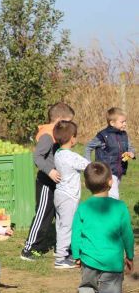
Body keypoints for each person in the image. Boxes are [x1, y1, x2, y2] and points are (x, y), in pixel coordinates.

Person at [72, 162, 134, 293]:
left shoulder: (83, 207)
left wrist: (76, 254)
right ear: (110, 182)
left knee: (87, 287)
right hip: (113, 263)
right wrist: (130, 255)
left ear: (86, 184)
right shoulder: (120, 207)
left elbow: (76, 233)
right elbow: (127, 234)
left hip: (89, 260)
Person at [21, 102, 75, 261]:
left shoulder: (58, 134)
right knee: (43, 214)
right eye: (68, 122)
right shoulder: (47, 135)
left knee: (61, 215)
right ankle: (29, 248)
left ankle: (63, 247)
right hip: (46, 183)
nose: (70, 126)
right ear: (58, 119)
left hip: (58, 183)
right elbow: (37, 156)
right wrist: (50, 171)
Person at [52, 121, 90, 269]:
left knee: (61, 225)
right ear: (72, 138)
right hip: (69, 196)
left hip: (59, 194)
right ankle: (61, 259)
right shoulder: (71, 156)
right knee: (67, 227)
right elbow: (88, 165)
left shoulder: (58, 153)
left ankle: (62, 252)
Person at [84, 107, 135, 200]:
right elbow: (88, 147)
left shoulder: (124, 135)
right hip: (106, 172)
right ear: (112, 123)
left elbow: (131, 148)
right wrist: (88, 164)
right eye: (122, 122)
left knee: (105, 195)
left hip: (119, 171)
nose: (125, 124)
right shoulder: (103, 136)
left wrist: (131, 153)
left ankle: (100, 207)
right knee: (114, 197)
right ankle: (114, 208)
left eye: (125, 121)